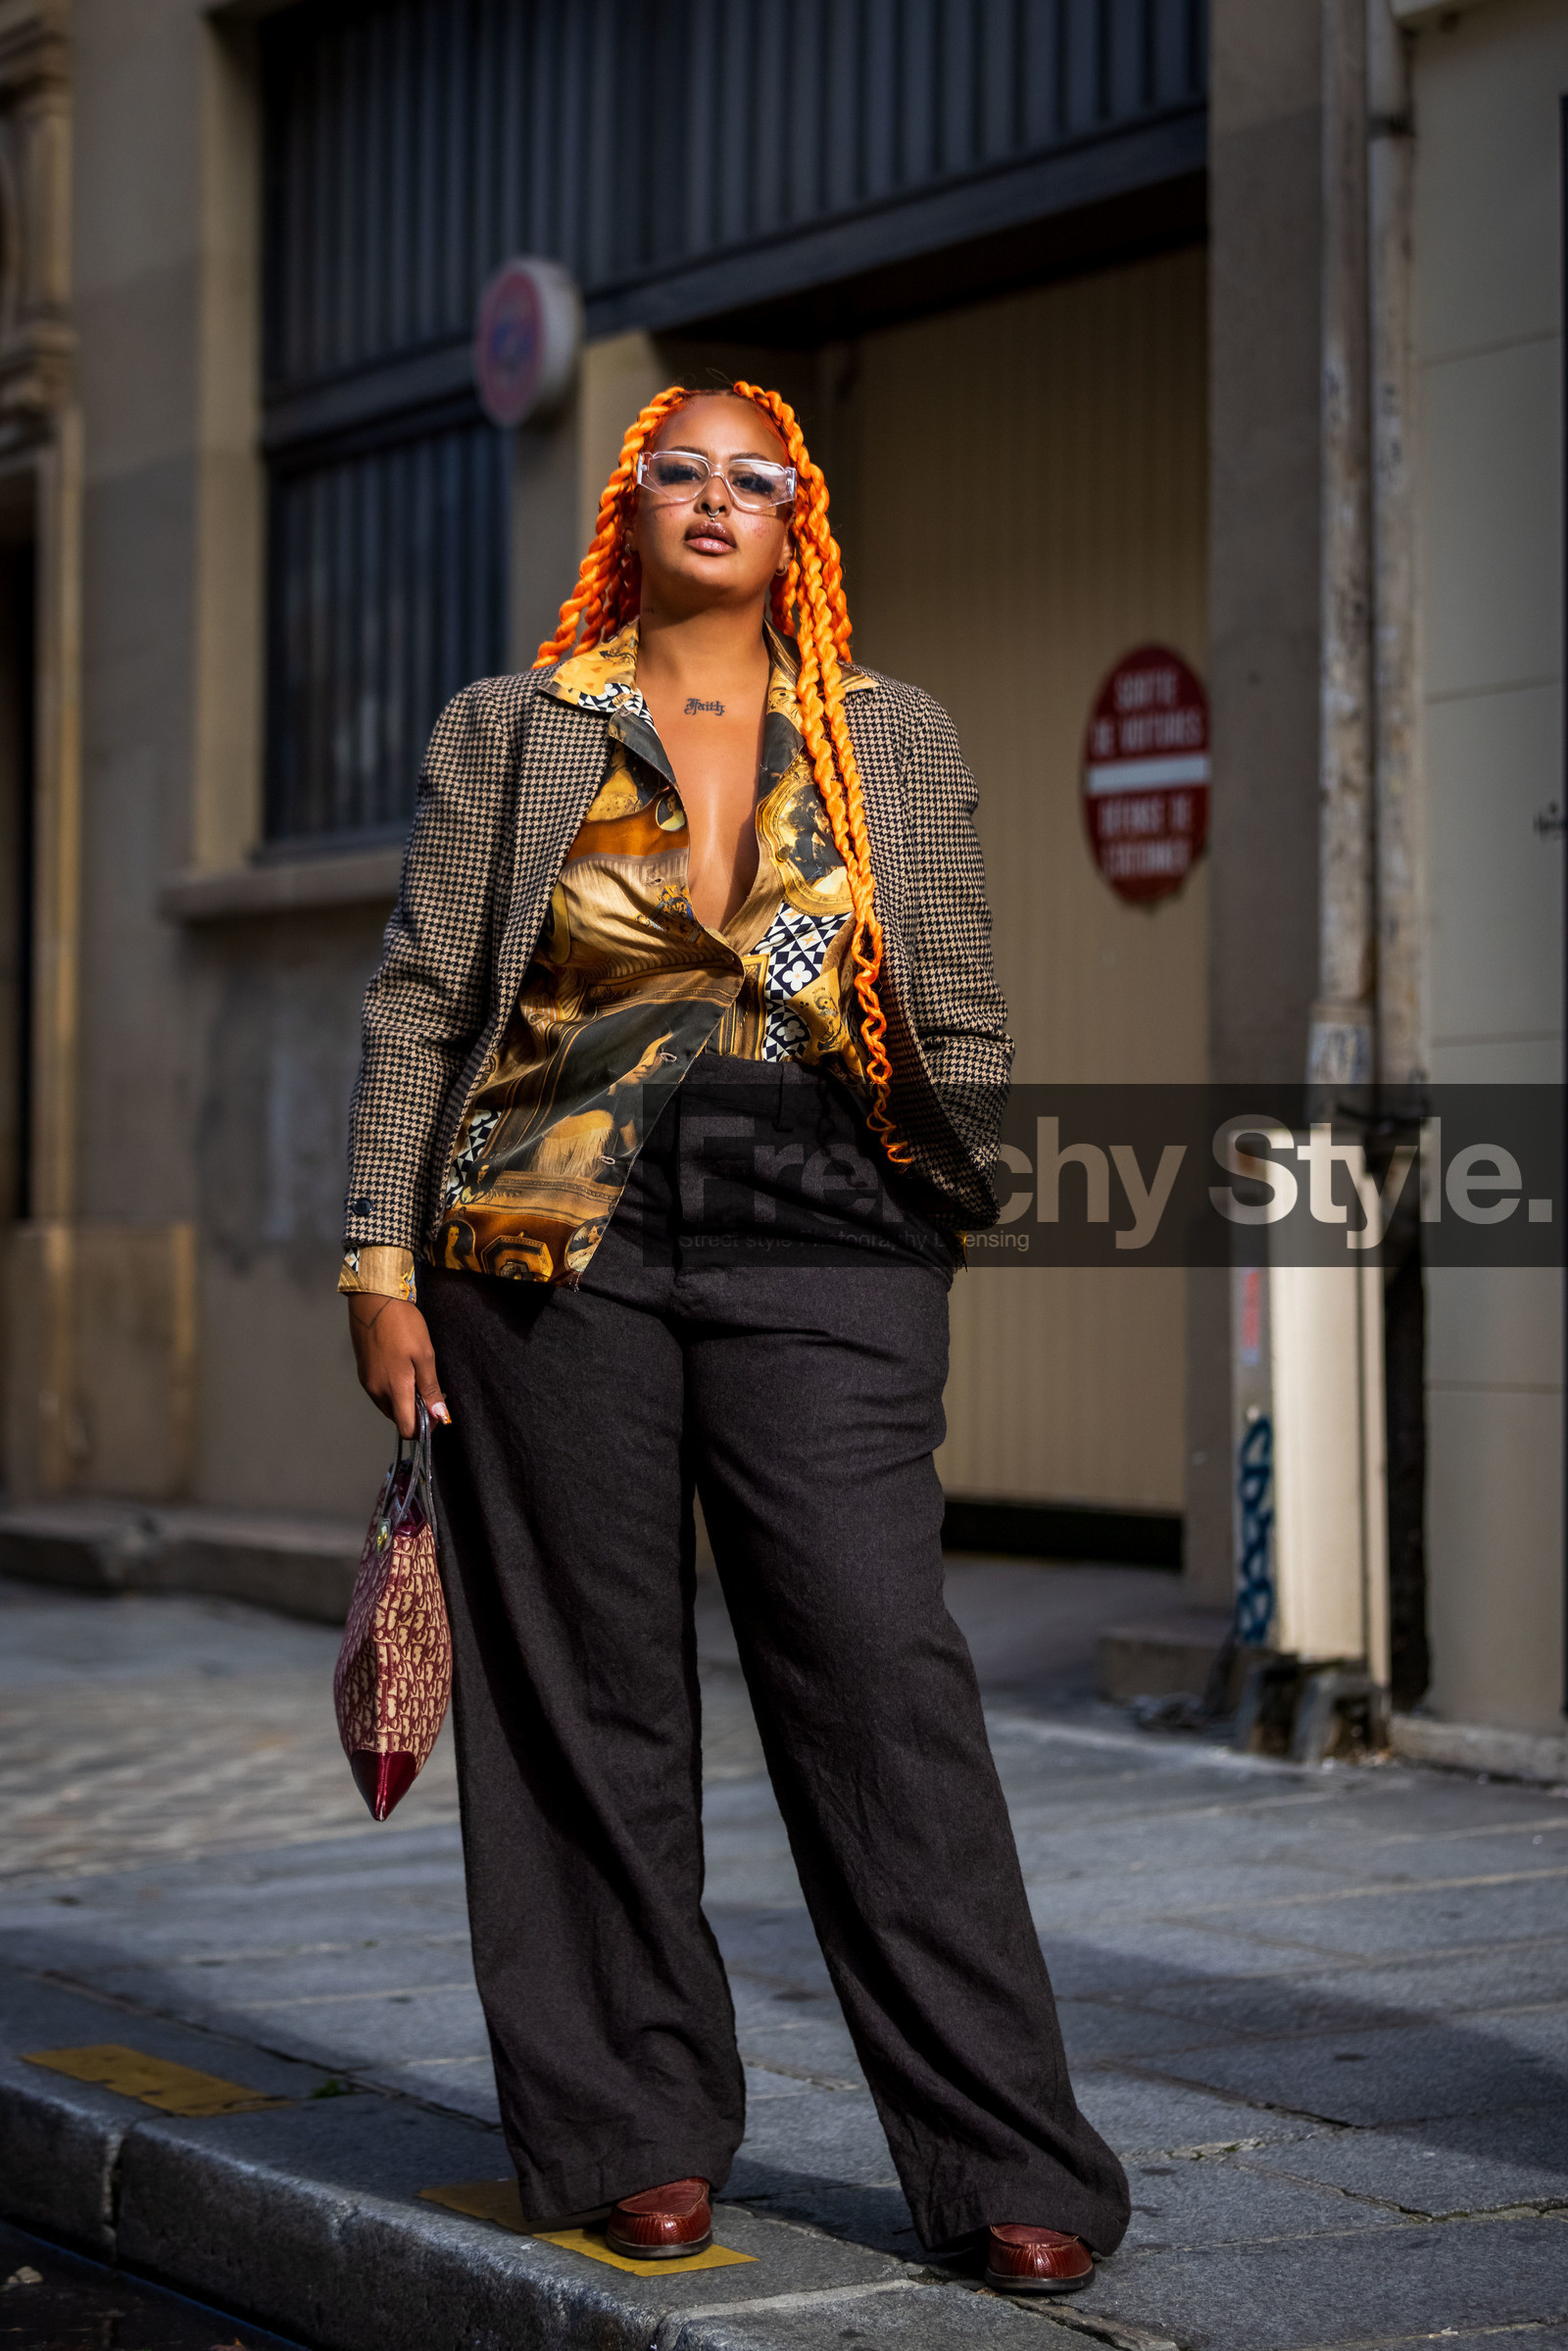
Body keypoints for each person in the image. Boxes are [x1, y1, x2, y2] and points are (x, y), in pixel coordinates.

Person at [340, 380, 1129, 2294]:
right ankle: (633, 2127)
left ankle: (1002, 2159)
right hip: (545, 1217)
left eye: (746, 475)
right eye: (675, 469)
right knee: (588, 1689)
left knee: (876, 1665)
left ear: (799, 517)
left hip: (817, 1213)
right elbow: (429, 992)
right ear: (630, 508)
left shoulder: (880, 734)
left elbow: (956, 991)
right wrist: (378, 1256)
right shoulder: (516, 730)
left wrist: (945, 1195)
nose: (711, 495)